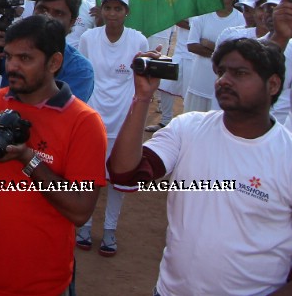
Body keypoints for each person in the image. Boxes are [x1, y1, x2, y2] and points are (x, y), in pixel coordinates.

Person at [109, 38, 292, 296]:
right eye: (221, 72)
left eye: (239, 73)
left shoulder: (286, 155)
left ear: (272, 84)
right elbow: (124, 173)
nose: (224, 81)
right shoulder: (188, 128)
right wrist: (141, 98)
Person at [0, 15, 107, 296]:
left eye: (25, 58)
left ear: (54, 62)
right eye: (8, 56)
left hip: (39, 284)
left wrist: (29, 160)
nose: (12, 66)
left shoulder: (84, 122)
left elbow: (81, 209)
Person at [75, 0, 150, 256]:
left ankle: (109, 230)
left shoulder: (139, 40)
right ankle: (84, 225)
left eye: (118, 8)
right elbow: (86, 76)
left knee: (118, 177)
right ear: (101, 10)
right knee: (90, 176)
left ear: (127, 12)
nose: (112, 13)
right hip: (93, 119)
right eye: (108, 7)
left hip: (123, 121)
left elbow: (139, 81)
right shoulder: (88, 38)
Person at [184, 0, 244, 112]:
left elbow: (238, 53)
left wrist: (210, 45)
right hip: (198, 82)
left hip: (224, 85)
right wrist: (222, 52)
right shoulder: (202, 15)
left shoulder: (241, 20)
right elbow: (192, 45)